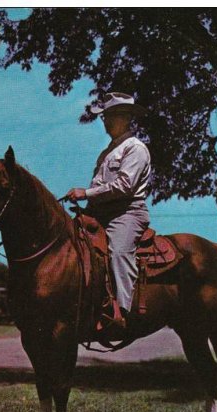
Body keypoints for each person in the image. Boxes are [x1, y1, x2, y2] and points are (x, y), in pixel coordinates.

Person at [64, 92, 151, 329]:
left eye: (110, 116)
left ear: (125, 118)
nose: (105, 122)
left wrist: (86, 193)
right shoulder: (108, 151)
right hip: (101, 213)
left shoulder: (136, 148)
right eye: (104, 117)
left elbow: (125, 186)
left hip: (126, 213)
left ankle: (121, 314)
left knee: (119, 251)